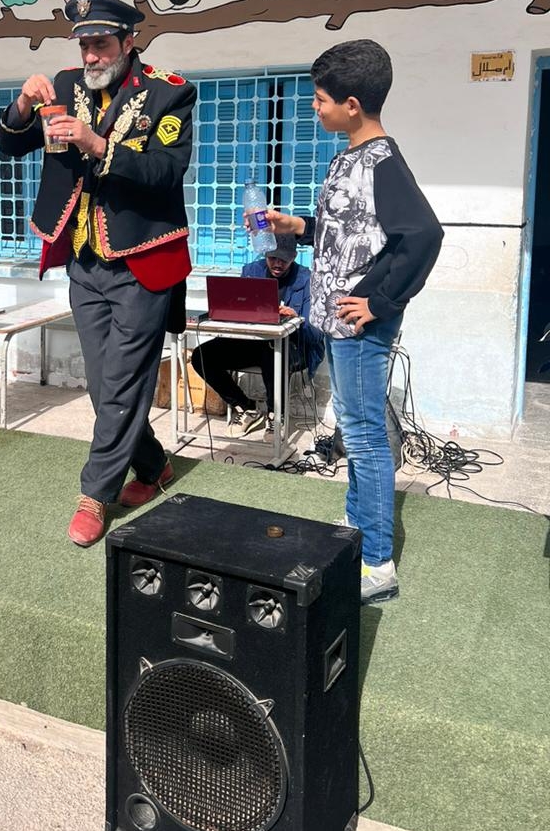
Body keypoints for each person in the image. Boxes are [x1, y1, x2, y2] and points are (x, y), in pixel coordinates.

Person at [0, 0, 196, 547]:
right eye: (83, 44)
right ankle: (153, 466)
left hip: (142, 260)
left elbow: (164, 171)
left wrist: (96, 143)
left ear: (129, 42)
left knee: (123, 382)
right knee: (102, 383)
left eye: (101, 43)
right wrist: (20, 106)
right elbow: (9, 146)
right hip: (84, 260)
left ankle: (96, 492)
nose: (90, 54)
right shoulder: (62, 85)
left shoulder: (170, 91)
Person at [264, 39, 443, 604]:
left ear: (352, 104)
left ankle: (377, 564)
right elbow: (353, 234)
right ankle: (356, 532)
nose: (313, 110)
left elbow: (423, 236)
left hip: (360, 328)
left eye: (319, 101)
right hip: (337, 326)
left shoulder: (384, 160)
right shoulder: (349, 155)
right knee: (355, 431)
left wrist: (379, 303)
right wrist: (299, 226)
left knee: (364, 438)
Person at [189, 233, 324, 436]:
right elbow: (240, 310)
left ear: (294, 257)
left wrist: (296, 318)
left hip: (295, 347)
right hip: (254, 342)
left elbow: (316, 335)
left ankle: (275, 416)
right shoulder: (252, 271)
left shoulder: (307, 280)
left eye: (283, 260)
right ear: (265, 254)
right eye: (272, 258)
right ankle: (246, 407)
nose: (278, 264)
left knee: (272, 350)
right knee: (201, 356)